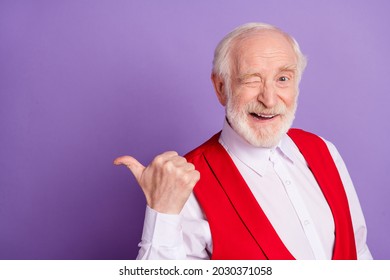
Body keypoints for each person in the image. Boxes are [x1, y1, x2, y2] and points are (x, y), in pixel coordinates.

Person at [114, 22, 372, 260]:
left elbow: (358, 250)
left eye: (283, 79)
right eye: (252, 79)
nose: (269, 100)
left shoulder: (324, 150)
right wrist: (161, 214)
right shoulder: (187, 183)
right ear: (221, 88)